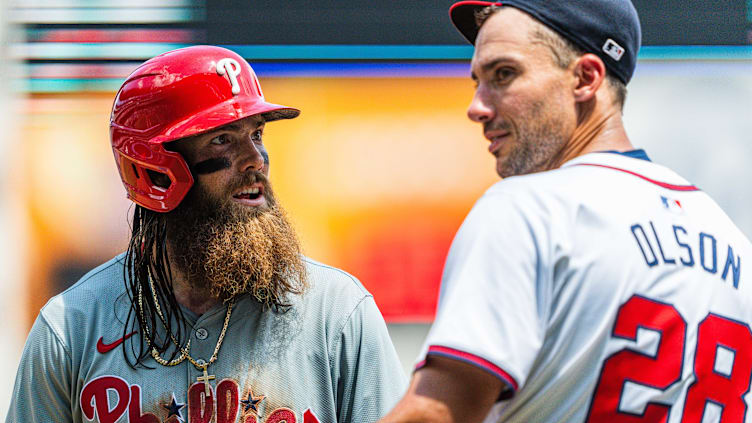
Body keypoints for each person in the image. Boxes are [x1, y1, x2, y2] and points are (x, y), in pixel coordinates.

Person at [380, 1, 752, 422]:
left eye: (503, 75)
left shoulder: (530, 209)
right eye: (477, 81)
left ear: (586, 77)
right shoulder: (734, 245)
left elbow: (437, 411)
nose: (477, 107)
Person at [8, 45, 406, 423]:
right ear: (155, 169)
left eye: (256, 135)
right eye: (222, 139)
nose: (256, 161)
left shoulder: (336, 314)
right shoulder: (71, 329)